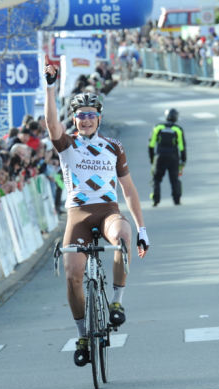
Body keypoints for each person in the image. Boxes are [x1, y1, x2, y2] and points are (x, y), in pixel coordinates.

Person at [44, 60, 149, 367]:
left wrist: (142, 229)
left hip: (107, 212)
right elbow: (52, 124)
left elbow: (128, 190)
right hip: (77, 215)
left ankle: (116, 302)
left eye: (91, 115)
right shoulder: (67, 144)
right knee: (73, 275)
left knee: (123, 234)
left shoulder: (114, 147)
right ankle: (82, 335)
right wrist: (50, 87)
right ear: (74, 119)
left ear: (99, 118)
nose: (86, 120)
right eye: (80, 116)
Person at [148, 108, 186, 206]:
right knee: (174, 179)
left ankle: (155, 200)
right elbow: (182, 147)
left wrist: (152, 158)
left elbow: (151, 145)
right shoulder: (178, 129)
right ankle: (177, 200)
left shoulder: (157, 127)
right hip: (173, 157)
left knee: (156, 178)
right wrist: (183, 160)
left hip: (160, 156)